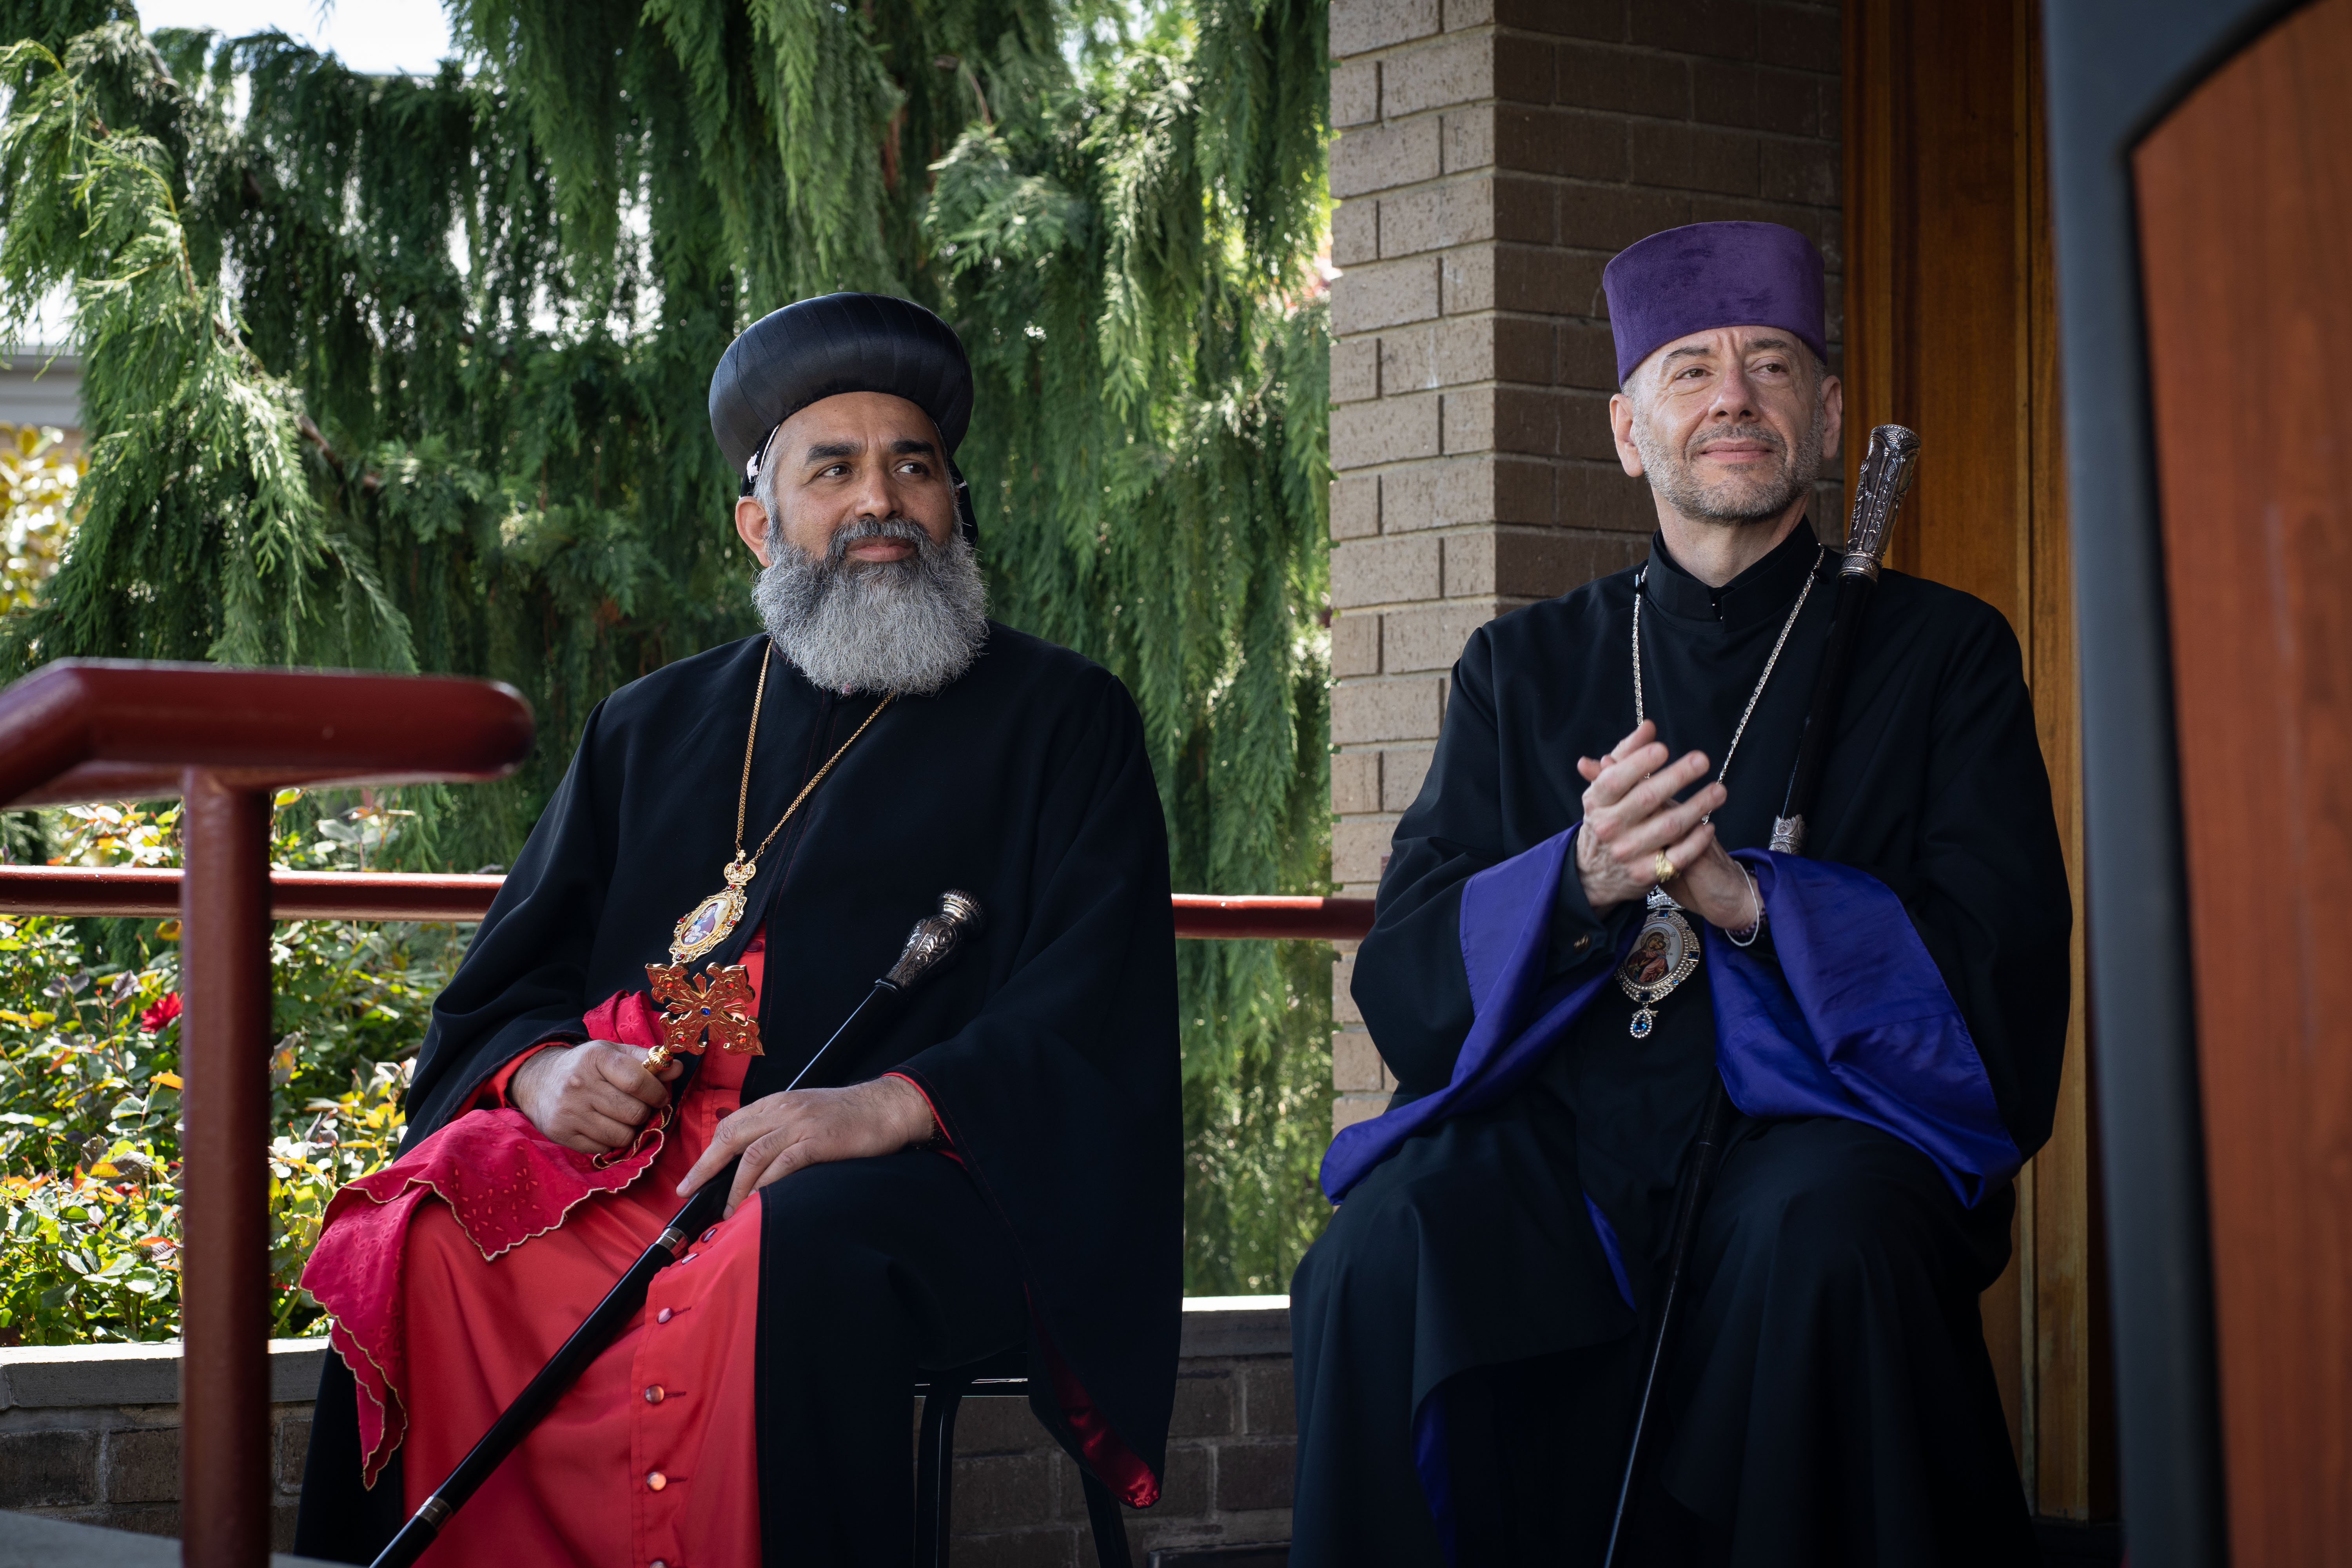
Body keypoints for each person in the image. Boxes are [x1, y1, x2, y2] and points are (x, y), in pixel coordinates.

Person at [294, 292, 1181, 1566]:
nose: (882, 498)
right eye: (836, 468)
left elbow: (1100, 1000)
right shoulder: (647, 727)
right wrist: (545, 1073)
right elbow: (506, 982)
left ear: (953, 502)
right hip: (637, 1171)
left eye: (914, 465)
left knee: (794, 1242)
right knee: (426, 1234)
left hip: (918, 1184)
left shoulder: (1063, 718)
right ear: (758, 524)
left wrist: (898, 1103)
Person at [1288, 222, 2070, 1566]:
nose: (1732, 397)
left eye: (1772, 366)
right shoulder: (1519, 669)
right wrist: (1577, 877)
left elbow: (2004, 997)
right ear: (1626, 428)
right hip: (1574, 1157)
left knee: (1826, 1236)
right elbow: (1409, 983)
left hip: (1812, 1140)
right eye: (1688, 369)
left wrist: (1752, 902)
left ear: (1824, 418)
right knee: (1388, 1238)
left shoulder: (1944, 657)